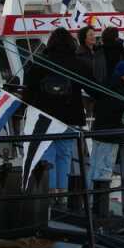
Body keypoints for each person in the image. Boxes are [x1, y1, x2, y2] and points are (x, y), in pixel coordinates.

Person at [24, 27, 97, 196]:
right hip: (70, 115)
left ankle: (49, 192)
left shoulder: (41, 61)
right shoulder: (77, 63)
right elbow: (93, 88)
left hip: (44, 116)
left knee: (47, 152)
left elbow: (29, 84)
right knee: (65, 153)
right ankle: (63, 192)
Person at [88, 60, 124, 187]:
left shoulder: (107, 85)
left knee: (94, 167)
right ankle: (99, 202)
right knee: (104, 170)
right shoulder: (122, 91)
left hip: (98, 132)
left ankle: (89, 200)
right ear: (121, 77)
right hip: (110, 136)